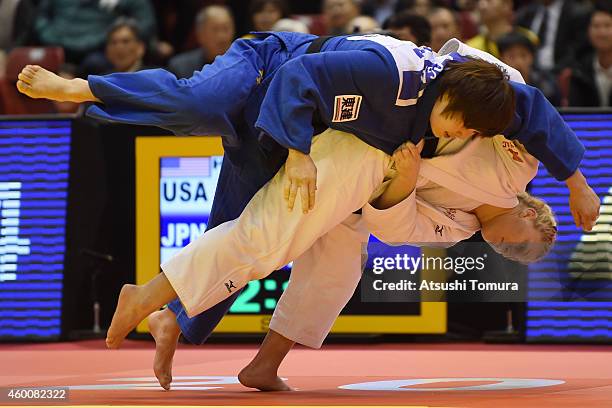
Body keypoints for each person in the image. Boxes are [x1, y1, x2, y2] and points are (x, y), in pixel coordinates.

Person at [16, 32, 598, 368]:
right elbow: (530, 106)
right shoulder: (407, 81)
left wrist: (398, 180)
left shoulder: (457, 169)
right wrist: (576, 179)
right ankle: (85, 88)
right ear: (531, 211)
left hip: (326, 146)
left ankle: (180, 323)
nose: (502, 246)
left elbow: (397, 224)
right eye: (517, 242)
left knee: (263, 245)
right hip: (278, 78)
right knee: (200, 113)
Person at [515, 0, 591, 73]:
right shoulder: (526, 13)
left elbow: (578, 52)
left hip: (559, 72)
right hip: (530, 72)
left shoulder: (577, 13)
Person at [168, 5, 235, 80]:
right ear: (200, 34)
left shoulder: (243, 65)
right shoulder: (180, 68)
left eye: (226, 28)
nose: (222, 36)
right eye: (215, 29)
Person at [497, 29, 561, 106]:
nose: (518, 62)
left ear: (532, 57)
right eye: (511, 56)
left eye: (523, 55)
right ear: (501, 59)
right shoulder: (496, 87)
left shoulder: (546, 85)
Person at [568, 0, 612, 107]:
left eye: (607, 26)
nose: (602, 33)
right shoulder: (579, 71)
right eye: (596, 26)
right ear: (588, 31)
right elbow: (575, 114)